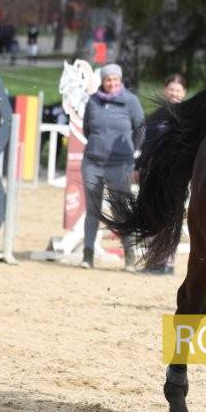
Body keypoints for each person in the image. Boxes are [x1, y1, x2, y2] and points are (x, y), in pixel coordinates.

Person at [81, 63, 145, 270]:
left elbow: (140, 129)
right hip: (93, 163)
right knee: (92, 210)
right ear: (103, 81)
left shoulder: (131, 101)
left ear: (120, 80)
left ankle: (129, 256)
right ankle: (87, 255)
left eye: (115, 79)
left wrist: (133, 152)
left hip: (121, 165)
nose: (112, 83)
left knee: (120, 210)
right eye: (108, 80)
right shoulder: (93, 101)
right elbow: (86, 129)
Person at [147, 74, 188, 275]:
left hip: (176, 173)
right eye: (171, 89)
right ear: (165, 90)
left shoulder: (189, 116)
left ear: (184, 93)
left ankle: (168, 263)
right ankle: (155, 260)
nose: (174, 93)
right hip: (154, 172)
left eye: (178, 90)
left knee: (171, 218)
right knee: (153, 215)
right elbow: (146, 144)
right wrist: (139, 167)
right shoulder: (156, 115)